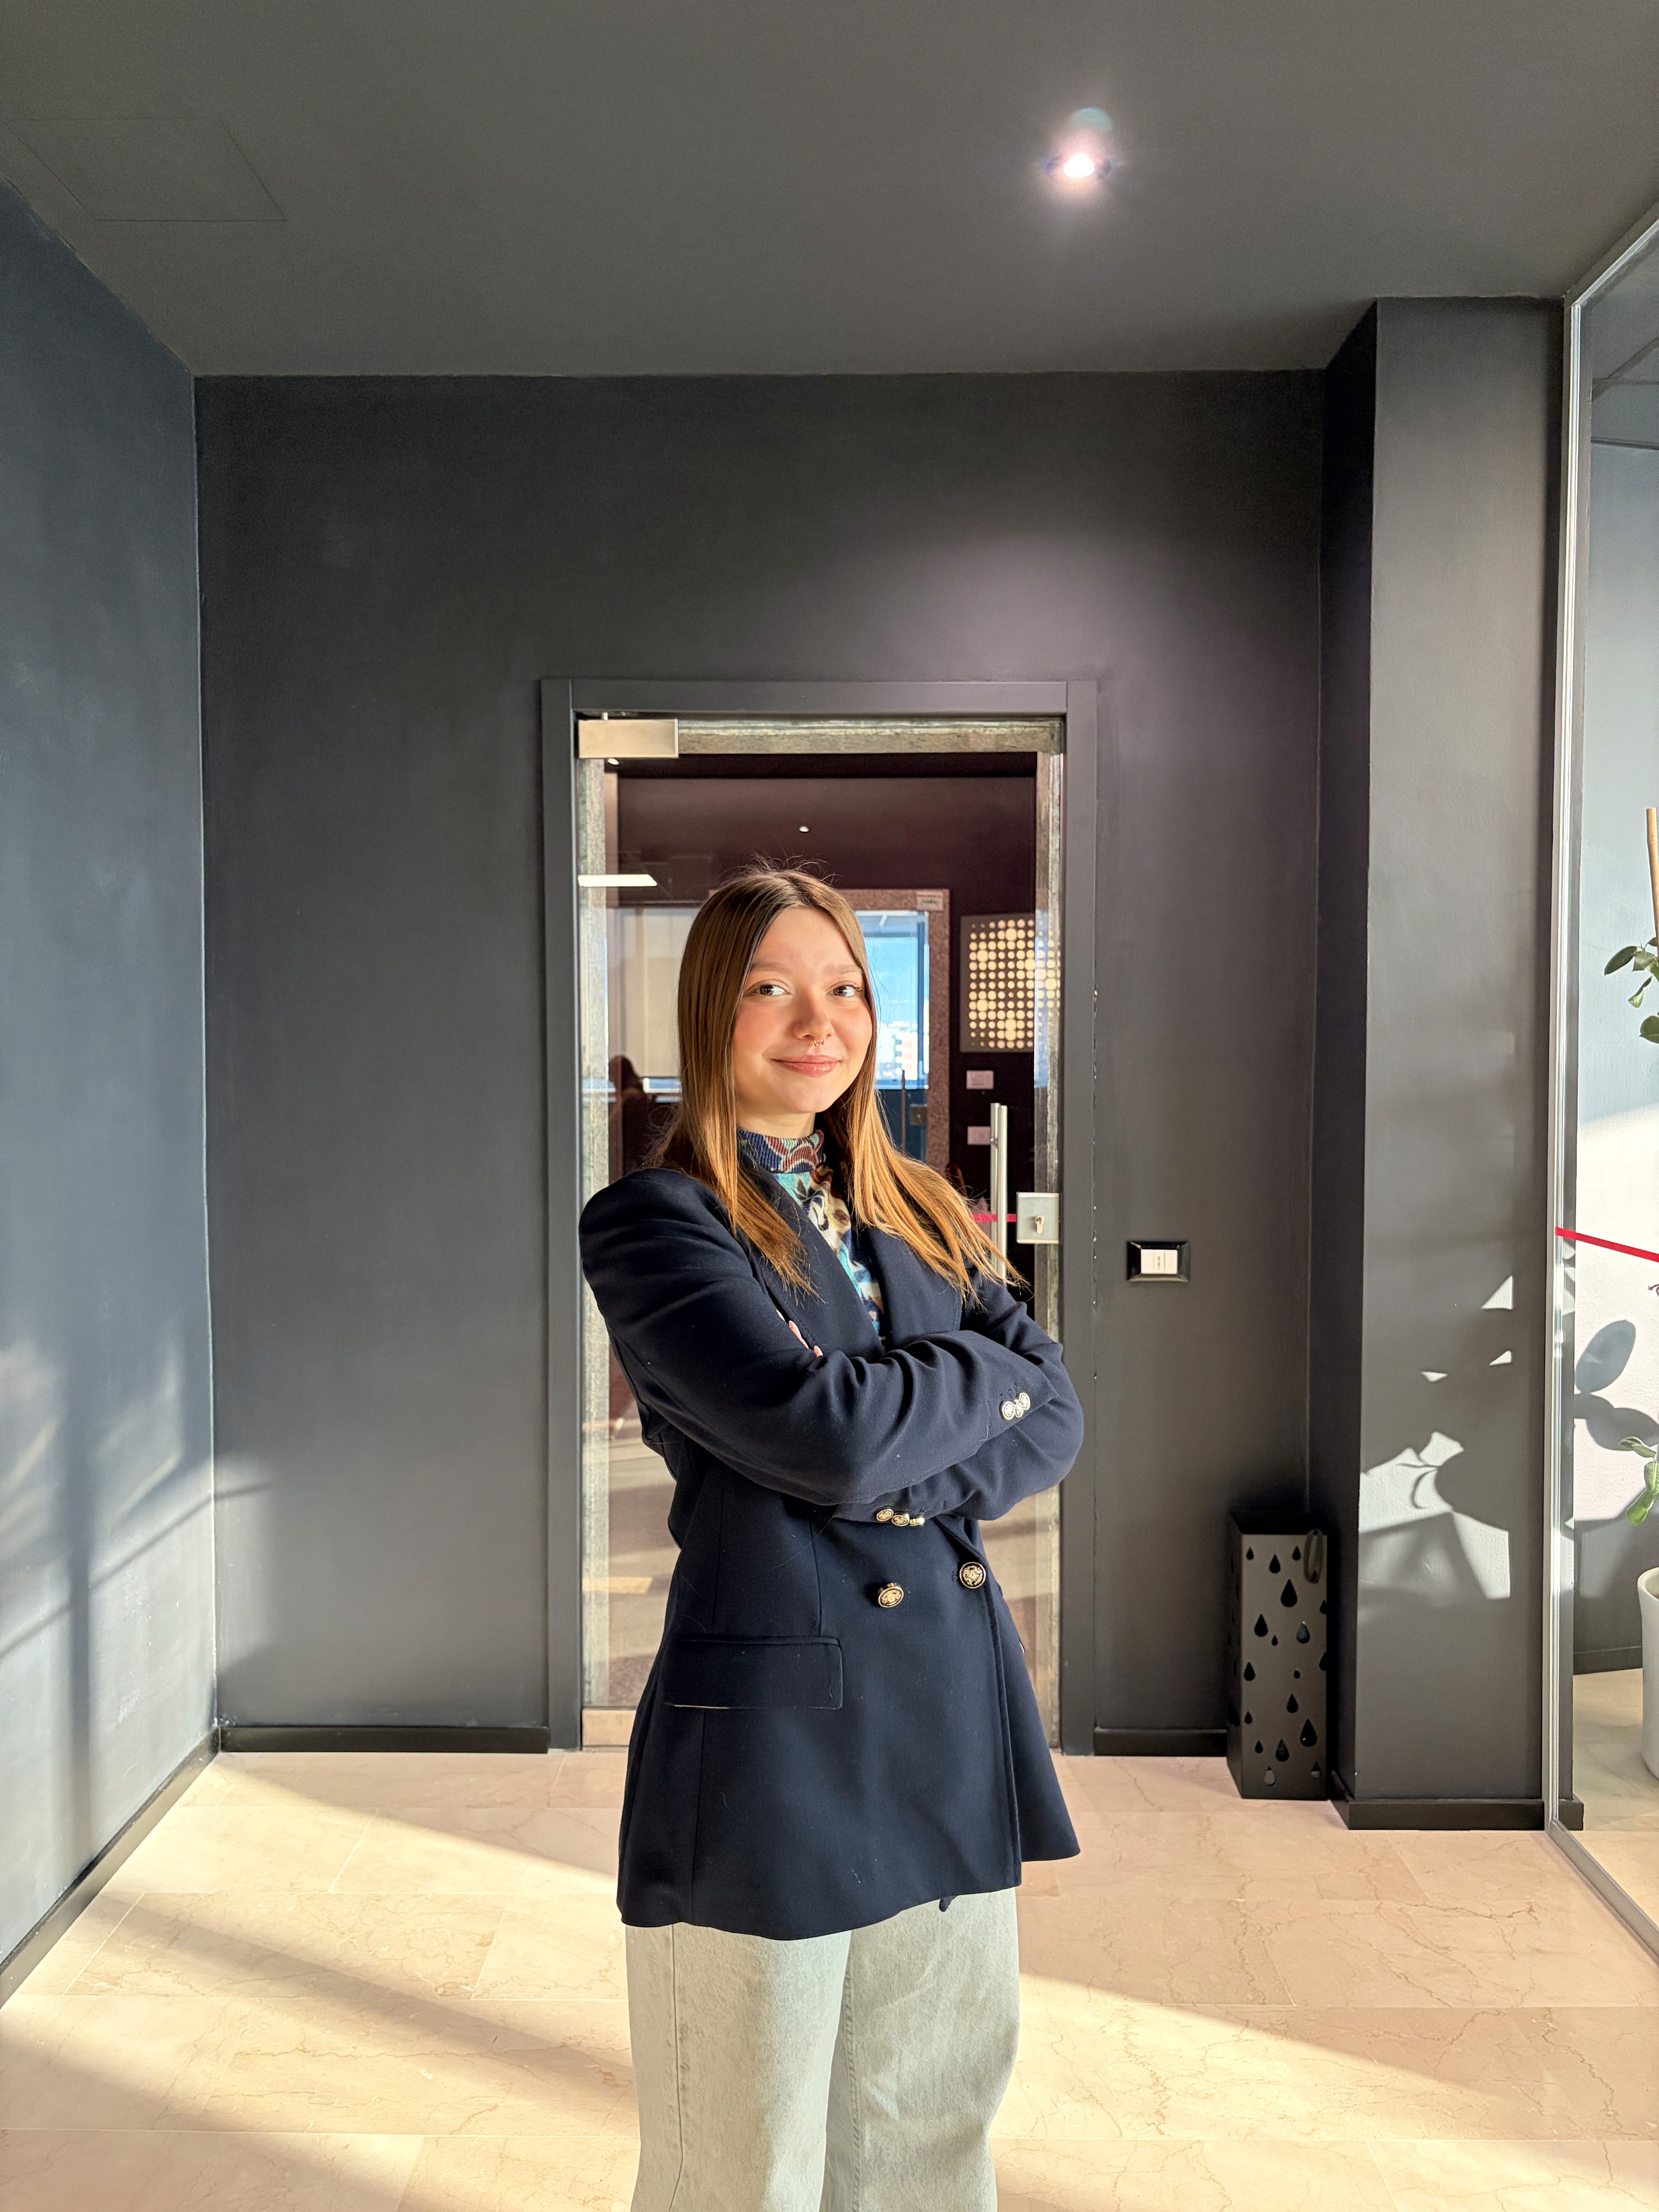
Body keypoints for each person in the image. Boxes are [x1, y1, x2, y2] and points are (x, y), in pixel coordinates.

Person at [580, 866, 1084, 2212]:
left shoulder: (918, 1200)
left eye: (845, 987)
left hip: (942, 1712)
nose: (820, 1021)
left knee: (929, 2131)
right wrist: (971, 1376)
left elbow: (1054, 1416)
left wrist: (891, 1422)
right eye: (772, 988)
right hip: (775, 1743)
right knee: (742, 2162)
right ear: (712, 1010)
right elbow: (829, 1441)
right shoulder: (657, 1221)